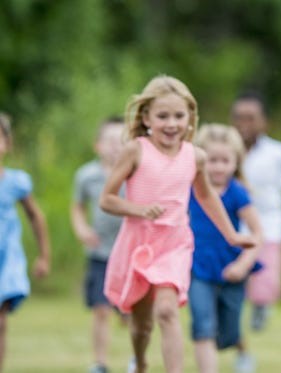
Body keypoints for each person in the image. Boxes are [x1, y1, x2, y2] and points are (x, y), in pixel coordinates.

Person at [99, 75, 256, 373]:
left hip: (174, 244)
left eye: (178, 116)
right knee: (142, 325)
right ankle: (142, 360)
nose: (171, 123)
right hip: (138, 243)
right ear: (146, 118)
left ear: (189, 118)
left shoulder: (195, 157)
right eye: (162, 116)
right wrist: (139, 209)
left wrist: (232, 235)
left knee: (168, 311)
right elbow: (106, 199)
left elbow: (207, 197)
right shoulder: (136, 150)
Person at [188, 124, 263, 373]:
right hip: (198, 268)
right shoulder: (191, 190)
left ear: (235, 162)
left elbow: (257, 234)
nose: (218, 167)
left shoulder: (237, 193)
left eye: (225, 161)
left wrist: (243, 265)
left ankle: (241, 351)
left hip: (231, 270)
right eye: (212, 160)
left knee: (228, 332)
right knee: (203, 325)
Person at [230, 91, 281, 331]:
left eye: (251, 118)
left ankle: (261, 306)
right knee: (234, 277)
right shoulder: (227, 150)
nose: (245, 124)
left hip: (269, 225)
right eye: (240, 118)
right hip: (234, 225)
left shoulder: (277, 152)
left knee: (265, 279)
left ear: (263, 121)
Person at [70, 117, 126, 373]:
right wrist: (82, 229)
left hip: (130, 252)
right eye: (110, 141)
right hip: (100, 252)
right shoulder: (86, 175)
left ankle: (137, 357)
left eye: (121, 141)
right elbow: (77, 207)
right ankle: (100, 362)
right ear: (98, 145)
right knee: (100, 309)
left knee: (131, 311)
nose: (115, 146)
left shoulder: (135, 172)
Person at [0, 112, 51, 373]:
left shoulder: (16, 182)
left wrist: (44, 256)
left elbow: (36, 217)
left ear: (7, 143)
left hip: (6, 257)